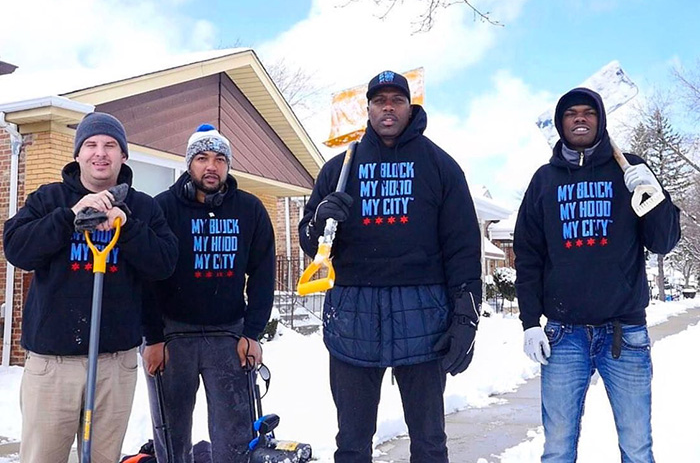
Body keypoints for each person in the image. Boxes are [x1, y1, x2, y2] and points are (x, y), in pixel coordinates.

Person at [299, 70, 482, 463]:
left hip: (423, 316)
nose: (387, 107)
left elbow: (463, 248)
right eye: (379, 100)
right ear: (367, 108)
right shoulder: (340, 169)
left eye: (396, 100)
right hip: (353, 315)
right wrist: (320, 220)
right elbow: (310, 244)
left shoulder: (440, 166)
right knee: (351, 442)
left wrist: (466, 316)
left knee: (430, 442)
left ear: (409, 106)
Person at [514, 87, 681, 462]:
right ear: (560, 124)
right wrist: (529, 322)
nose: (580, 118)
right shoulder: (544, 181)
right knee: (557, 448)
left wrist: (655, 197)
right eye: (571, 113)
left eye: (588, 112)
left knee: (637, 447)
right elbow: (528, 257)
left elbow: (663, 242)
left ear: (600, 119)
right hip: (563, 335)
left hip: (625, 333)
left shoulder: (629, 170)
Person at [3, 112, 178, 463]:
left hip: (115, 363)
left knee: (102, 457)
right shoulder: (49, 198)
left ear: (123, 155)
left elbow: (164, 263)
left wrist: (126, 227)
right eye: (91, 145)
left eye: (111, 145)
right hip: (54, 365)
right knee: (42, 457)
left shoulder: (143, 206)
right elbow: (17, 248)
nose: (101, 153)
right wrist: (70, 215)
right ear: (78, 154)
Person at [141, 124, 276, 463]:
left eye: (219, 159)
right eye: (201, 158)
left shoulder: (250, 210)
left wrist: (252, 333)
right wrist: (153, 338)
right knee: (171, 436)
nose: (211, 166)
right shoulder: (163, 208)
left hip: (228, 336)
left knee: (235, 437)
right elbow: (146, 277)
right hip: (172, 336)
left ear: (228, 165)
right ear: (189, 164)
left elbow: (262, 274)